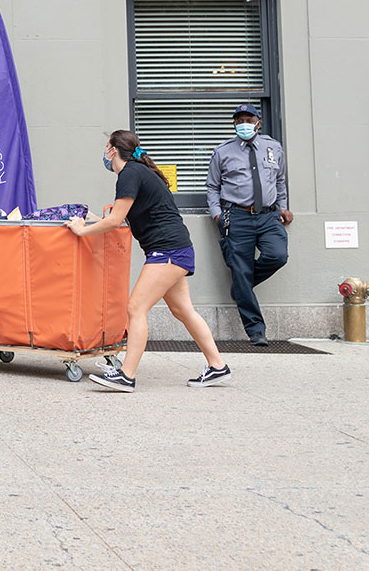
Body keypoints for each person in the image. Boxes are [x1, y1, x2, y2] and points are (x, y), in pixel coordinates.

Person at [66, 129, 229, 392]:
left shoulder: (129, 173)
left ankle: (126, 376)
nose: (105, 154)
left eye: (106, 148)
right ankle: (218, 366)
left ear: (112, 150)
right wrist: (93, 219)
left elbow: (116, 220)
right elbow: (123, 219)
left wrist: (81, 231)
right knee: (183, 311)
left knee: (135, 309)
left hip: (166, 252)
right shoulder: (139, 172)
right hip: (176, 249)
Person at [205, 104, 291, 346]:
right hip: (237, 216)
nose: (244, 123)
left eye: (249, 119)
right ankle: (256, 330)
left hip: (268, 216)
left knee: (278, 256)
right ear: (234, 124)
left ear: (258, 122)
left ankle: (242, 286)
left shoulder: (273, 147)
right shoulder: (222, 152)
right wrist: (217, 215)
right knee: (239, 269)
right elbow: (212, 187)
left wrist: (283, 206)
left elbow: (280, 180)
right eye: (239, 120)